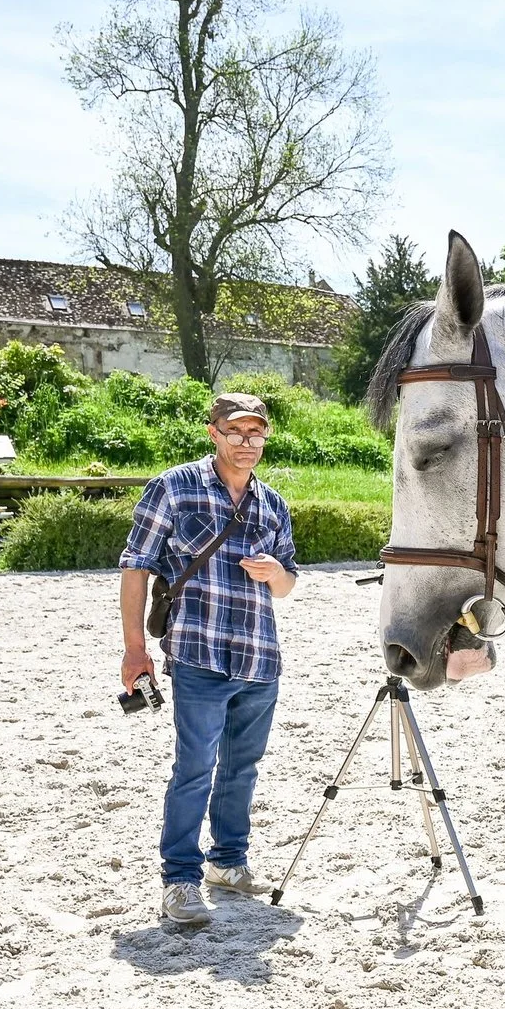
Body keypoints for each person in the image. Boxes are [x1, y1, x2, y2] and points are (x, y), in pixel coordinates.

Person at [118, 393, 300, 931]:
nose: (247, 442)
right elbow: (135, 569)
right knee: (194, 769)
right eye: (236, 431)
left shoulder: (272, 503)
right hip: (197, 654)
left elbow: (289, 583)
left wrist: (275, 574)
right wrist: (134, 649)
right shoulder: (173, 487)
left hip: (259, 656)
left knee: (243, 768)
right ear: (213, 432)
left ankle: (228, 862)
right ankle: (180, 879)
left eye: (256, 433)